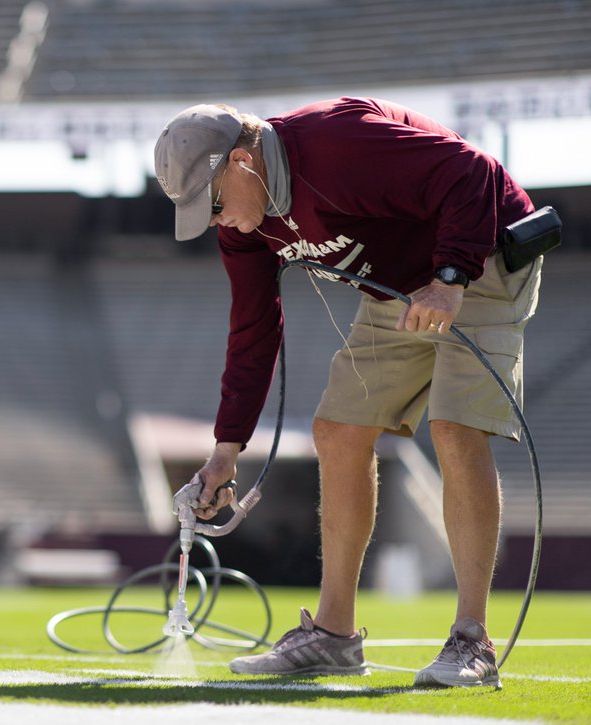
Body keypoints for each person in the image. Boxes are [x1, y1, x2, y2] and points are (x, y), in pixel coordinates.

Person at [153, 97, 543, 688]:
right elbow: (253, 332)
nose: (214, 222)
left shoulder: (339, 145)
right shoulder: (245, 227)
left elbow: (476, 173)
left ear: (240, 162)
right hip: (397, 287)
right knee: (337, 431)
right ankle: (333, 636)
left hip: (479, 256)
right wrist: (225, 450)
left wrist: (449, 279)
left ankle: (473, 640)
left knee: (456, 426)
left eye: (211, 204)